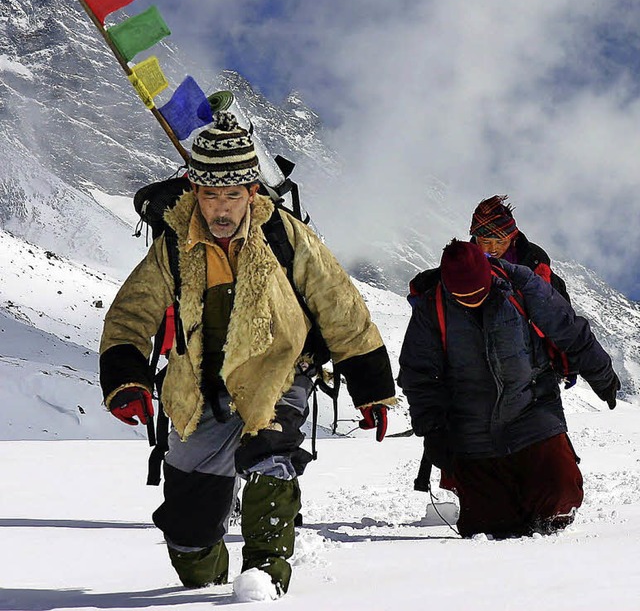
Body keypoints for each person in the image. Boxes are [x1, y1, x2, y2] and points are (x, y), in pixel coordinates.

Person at [99, 112, 396, 600]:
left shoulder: (286, 236)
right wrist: (128, 380)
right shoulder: (173, 245)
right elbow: (131, 316)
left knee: (270, 456)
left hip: (279, 372)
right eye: (211, 194)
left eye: (232, 194)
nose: (221, 207)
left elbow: (342, 309)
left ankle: (265, 581)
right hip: (202, 388)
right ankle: (204, 582)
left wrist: (372, 390)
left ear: (252, 192)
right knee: (189, 535)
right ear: (195, 190)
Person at [399, 239, 620, 539]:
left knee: (559, 497)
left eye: (478, 293)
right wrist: (434, 429)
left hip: (533, 410)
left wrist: (601, 373)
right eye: (462, 297)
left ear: (488, 275)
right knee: (490, 529)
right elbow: (419, 376)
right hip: (472, 431)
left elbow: (568, 328)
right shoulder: (431, 308)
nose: (472, 301)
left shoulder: (520, 284)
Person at [469, 194, 569, 301]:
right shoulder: (464, 261)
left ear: (512, 237)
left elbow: (550, 302)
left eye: (500, 242)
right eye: (486, 241)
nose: (493, 248)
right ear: (477, 239)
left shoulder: (534, 259)